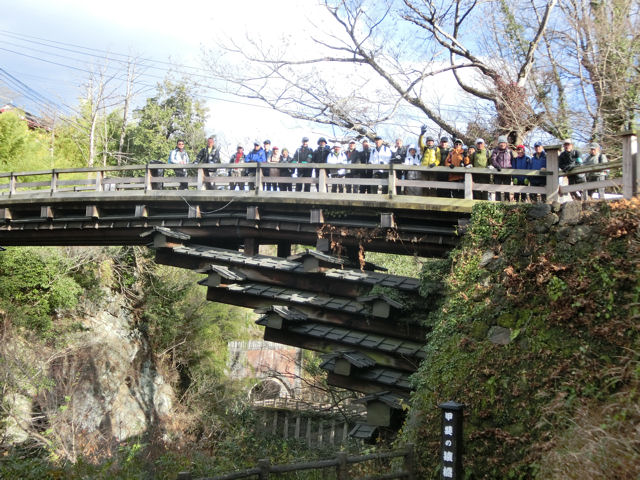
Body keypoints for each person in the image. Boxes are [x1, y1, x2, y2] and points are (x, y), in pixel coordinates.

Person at [490, 135, 513, 201]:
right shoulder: (495, 151)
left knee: (507, 189)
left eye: (503, 143)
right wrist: (497, 166)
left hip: (507, 173)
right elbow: (493, 160)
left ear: (506, 143)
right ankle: (498, 203)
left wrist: (511, 169)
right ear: (498, 143)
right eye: (501, 143)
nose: (502, 144)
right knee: (497, 190)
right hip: (498, 173)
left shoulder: (509, 152)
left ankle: (507, 203)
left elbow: (512, 161)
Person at [419, 131, 440, 197]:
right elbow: (420, 143)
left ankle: (433, 199)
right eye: (428, 141)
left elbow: (439, 158)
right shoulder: (424, 148)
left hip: (433, 169)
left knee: (433, 185)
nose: (430, 142)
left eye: (431, 141)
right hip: (424, 169)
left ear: (433, 142)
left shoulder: (436, 148)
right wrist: (422, 134)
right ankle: (424, 198)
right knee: (424, 185)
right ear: (426, 142)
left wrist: (435, 164)